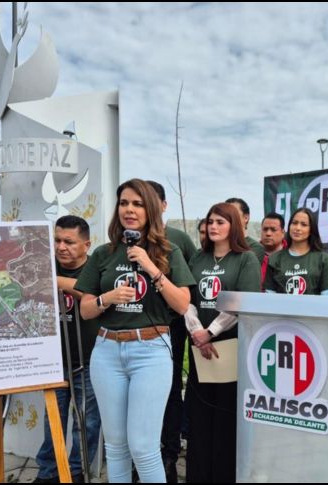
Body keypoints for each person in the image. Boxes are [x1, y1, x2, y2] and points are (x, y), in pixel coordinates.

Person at [75, 179, 195, 483]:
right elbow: (86, 309)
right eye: (124, 203)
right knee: (116, 447)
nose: (130, 209)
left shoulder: (170, 251)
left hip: (151, 351)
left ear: (151, 209)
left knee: (143, 447)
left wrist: (151, 267)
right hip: (107, 352)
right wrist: (107, 299)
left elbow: (182, 305)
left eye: (138, 203)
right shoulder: (104, 254)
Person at [183, 202, 261, 482]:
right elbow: (186, 299)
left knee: (225, 416)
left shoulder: (245, 259)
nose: (214, 227)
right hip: (199, 346)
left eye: (221, 222)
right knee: (200, 416)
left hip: (230, 346)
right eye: (211, 221)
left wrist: (211, 332)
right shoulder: (197, 259)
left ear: (234, 226)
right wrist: (197, 332)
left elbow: (243, 303)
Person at [33, 215, 101, 484]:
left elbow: (91, 291)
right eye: (57, 240)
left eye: (69, 242)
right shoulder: (42, 266)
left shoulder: (97, 268)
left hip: (89, 359)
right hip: (52, 361)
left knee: (87, 423)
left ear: (86, 244)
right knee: (53, 421)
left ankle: (76, 472)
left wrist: (52, 281)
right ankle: (48, 471)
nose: (61, 247)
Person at [145, 180, 198, 483]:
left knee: (169, 390)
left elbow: (188, 285)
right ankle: (145, 454)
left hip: (171, 327)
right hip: (136, 328)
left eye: (152, 201)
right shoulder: (126, 241)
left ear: (163, 206)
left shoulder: (177, 239)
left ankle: (169, 453)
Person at [263, 208, 328, 295]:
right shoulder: (274, 259)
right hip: (281, 308)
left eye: (303, 224)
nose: (297, 228)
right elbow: (270, 296)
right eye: (294, 223)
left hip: (314, 308)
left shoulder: (323, 258)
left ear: (311, 230)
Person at [226, 198, 266, 264]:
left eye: (234, 214)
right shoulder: (217, 245)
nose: (229, 218)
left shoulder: (255, 247)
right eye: (226, 215)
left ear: (246, 218)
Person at [259, 212, 287, 286]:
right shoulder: (251, 253)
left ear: (283, 233)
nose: (268, 233)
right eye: (265, 229)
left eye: (273, 230)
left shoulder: (292, 254)